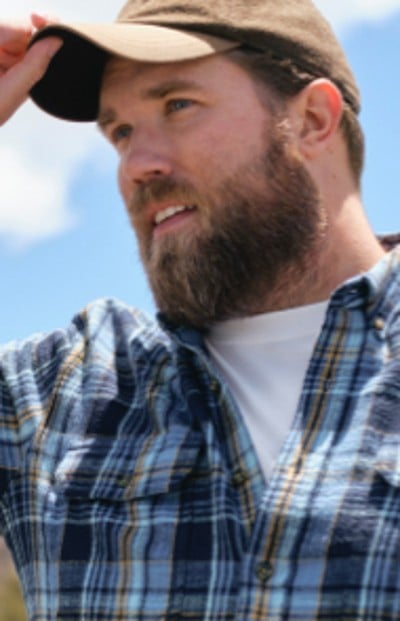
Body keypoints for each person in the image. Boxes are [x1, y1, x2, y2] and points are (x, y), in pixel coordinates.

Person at [0, 1, 399, 619]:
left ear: (314, 119)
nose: (137, 165)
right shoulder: (51, 403)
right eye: (121, 133)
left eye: (177, 105)